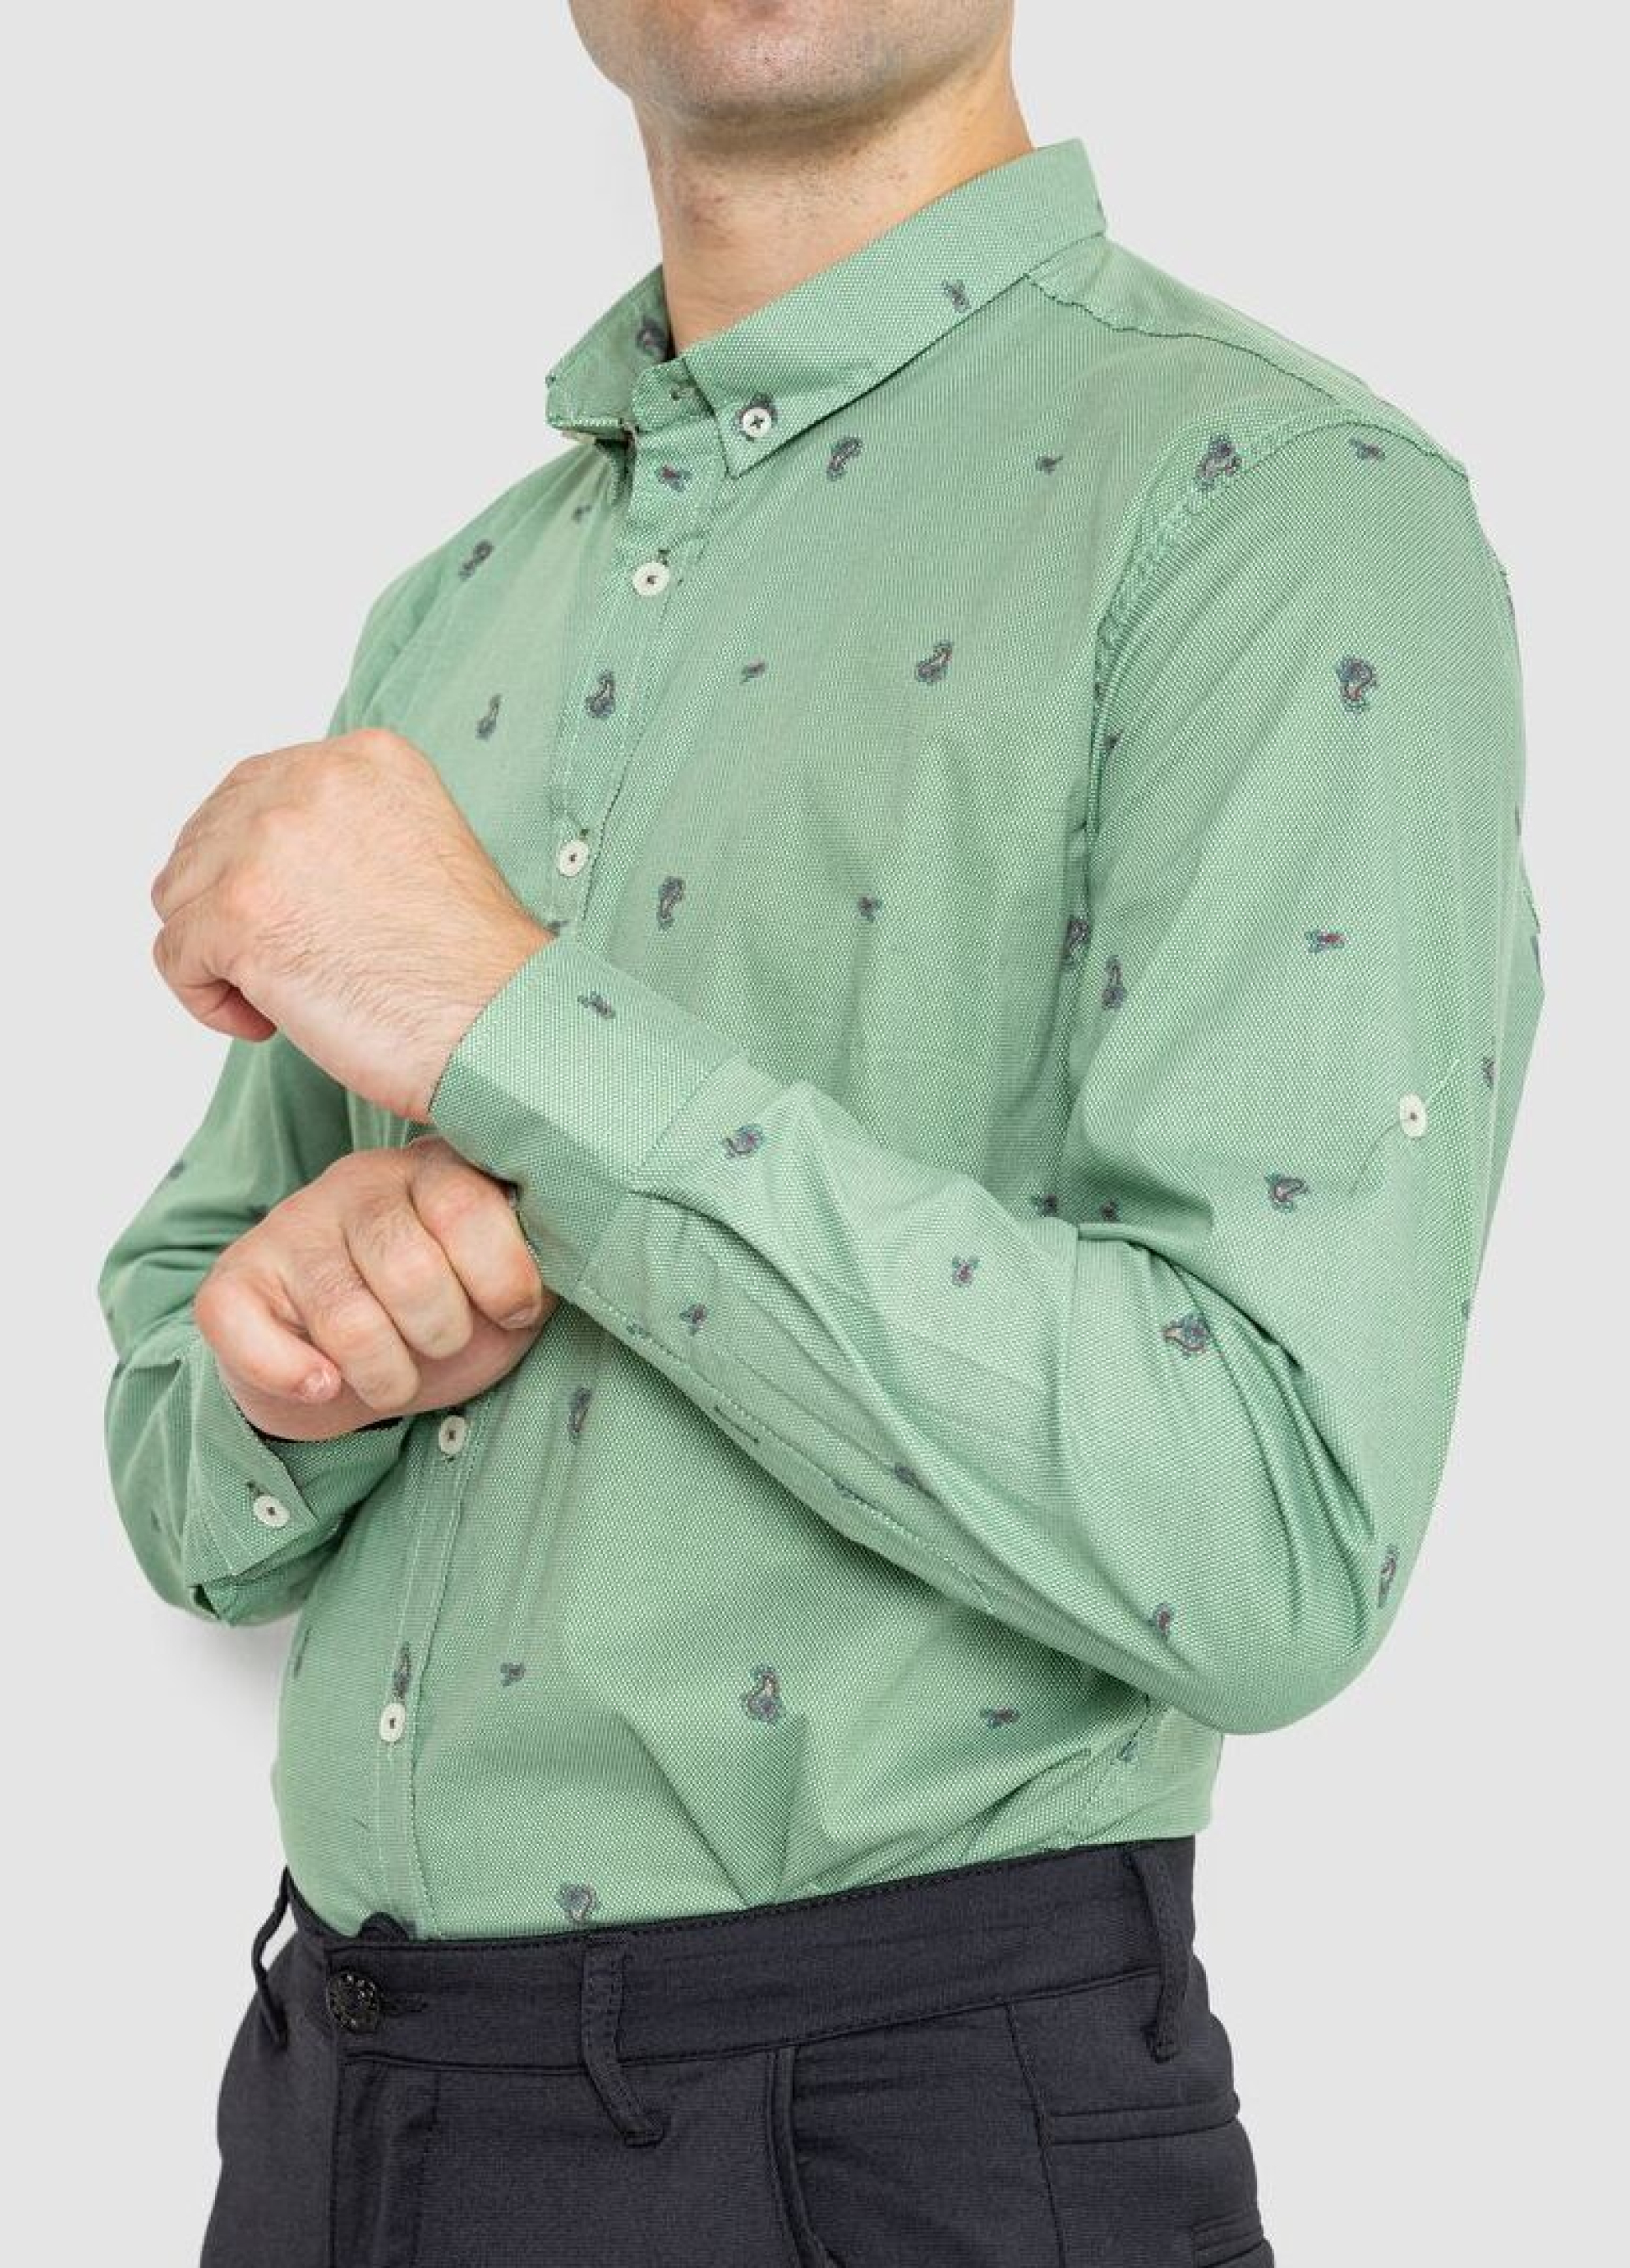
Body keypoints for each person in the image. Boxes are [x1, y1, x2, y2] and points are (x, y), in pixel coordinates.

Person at [97, 3, 1545, 2260]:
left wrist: (507, 1023)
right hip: (327, 2111)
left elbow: (1269, 1531)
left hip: (887, 2129)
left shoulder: (1275, 513)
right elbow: (185, 1488)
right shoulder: (451, 615)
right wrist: (292, 1369)